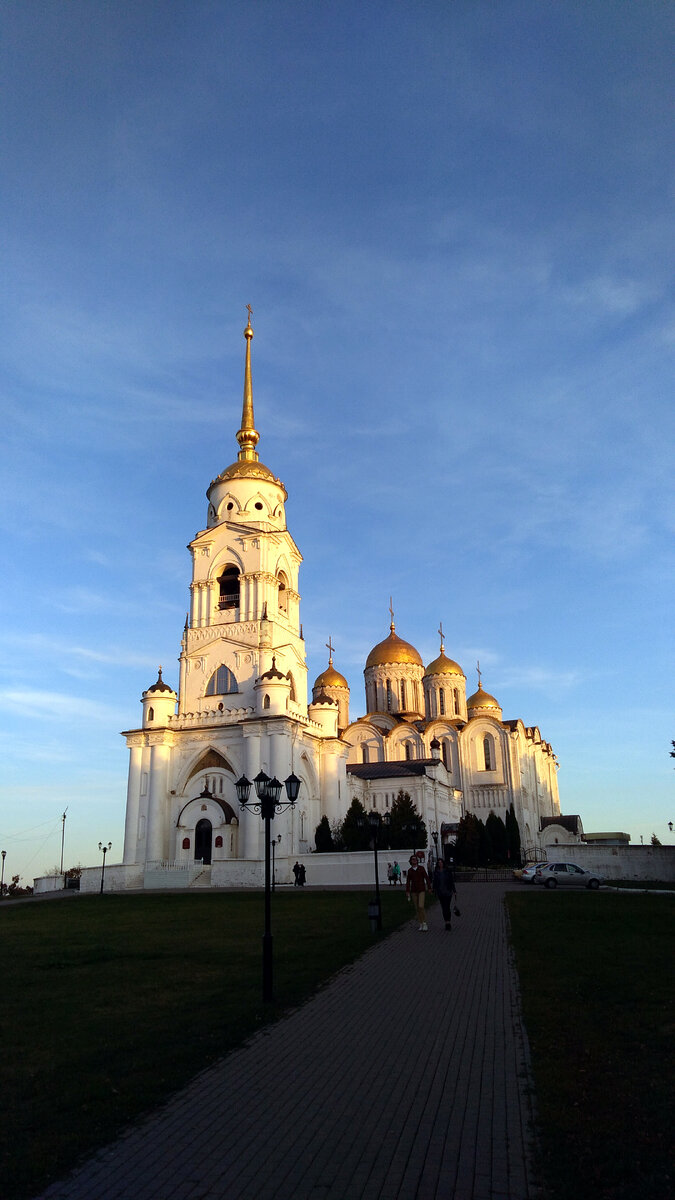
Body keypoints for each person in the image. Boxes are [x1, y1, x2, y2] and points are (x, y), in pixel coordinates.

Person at [405, 854, 430, 930]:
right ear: (411, 861)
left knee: (421, 906)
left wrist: (429, 887)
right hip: (414, 891)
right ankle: (421, 923)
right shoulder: (410, 871)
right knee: (417, 908)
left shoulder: (421, 868)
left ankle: (425, 923)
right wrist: (408, 891)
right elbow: (408, 881)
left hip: (421, 889)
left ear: (417, 861)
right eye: (412, 859)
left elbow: (426, 877)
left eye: (415, 859)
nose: (414, 860)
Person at [432, 859, 457, 931]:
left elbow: (451, 881)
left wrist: (454, 891)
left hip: (448, 892)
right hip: (440, 892)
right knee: (443, 908)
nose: (440, 864)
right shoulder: (436, 872)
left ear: (443, 863)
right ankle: (446, 922)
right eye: (439, 863)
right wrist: (434, 889)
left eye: (441, 862)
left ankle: (448, 922)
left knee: (447, 907)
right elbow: (435, 882)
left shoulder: (447, 871)